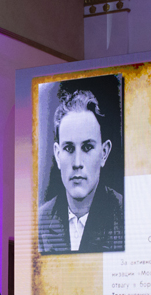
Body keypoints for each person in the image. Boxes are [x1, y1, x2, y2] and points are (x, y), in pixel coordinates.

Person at [38, 88, 124, 254]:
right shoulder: (39, 221)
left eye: (87, 147)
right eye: (69, 148)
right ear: (57, 155)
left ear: (104, 153)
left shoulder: (124, 215)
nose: (77, 163)